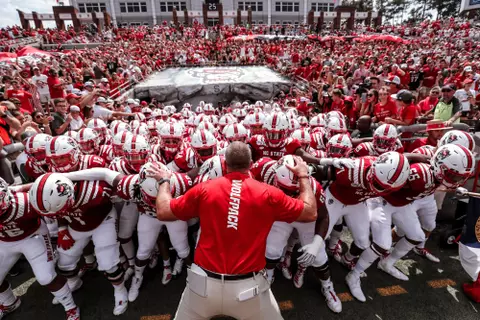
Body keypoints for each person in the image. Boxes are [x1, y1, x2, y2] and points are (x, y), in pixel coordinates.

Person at [150, 142, 317, 320]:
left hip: (204, 284)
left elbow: (164, 211)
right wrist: (303, 175)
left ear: (224, 165)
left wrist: (164, 181)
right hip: (247, 289)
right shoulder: (269, 194)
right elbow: (310, 212)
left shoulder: (204, 189)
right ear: (251, 164)